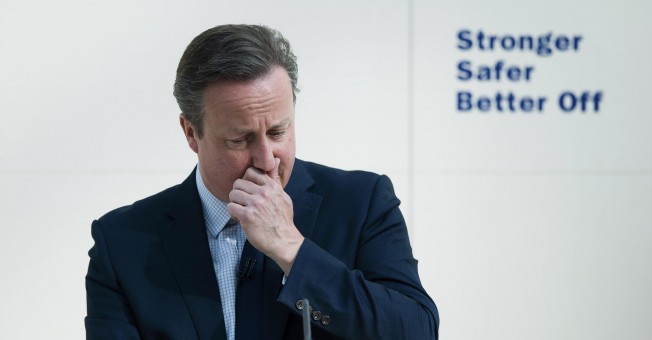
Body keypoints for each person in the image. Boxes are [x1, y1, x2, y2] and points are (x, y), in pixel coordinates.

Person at [85, 24, 439, 340]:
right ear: (191, 133)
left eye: (278, 131)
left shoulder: (361, 203)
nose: (267, 160)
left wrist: (293, 250)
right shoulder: (121, 241)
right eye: (239, 140)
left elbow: (417, 330)